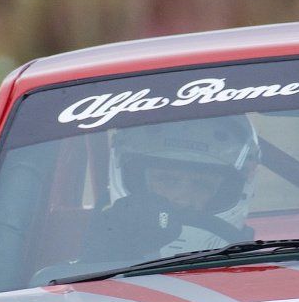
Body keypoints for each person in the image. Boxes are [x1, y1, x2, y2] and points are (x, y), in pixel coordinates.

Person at [81, 114, 261, 266]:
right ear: (136, 180)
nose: (182, 199)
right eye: (166, 180)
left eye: (201, 185)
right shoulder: (91, 263)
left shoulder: (263, 264)